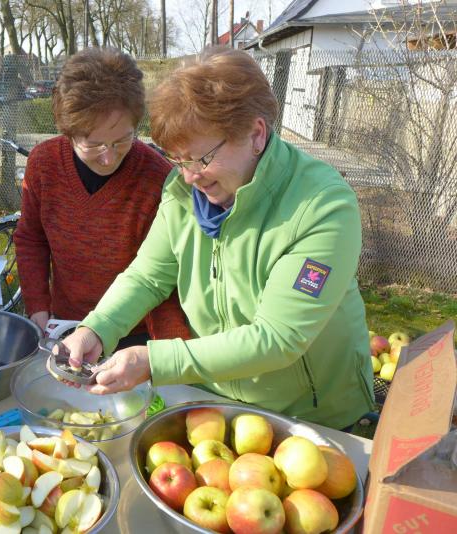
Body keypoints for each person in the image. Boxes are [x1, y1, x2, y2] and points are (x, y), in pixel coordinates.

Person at [61, 47, 374, 430]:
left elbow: (278, 337)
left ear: (255, 134)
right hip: (215, 402)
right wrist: (97, 328)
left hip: (310, 416)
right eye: (178, 160)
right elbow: (148, 276)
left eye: (202, 158)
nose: (189, 176)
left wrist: (155, 361)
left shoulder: (322, 205)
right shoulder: (182, 192)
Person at [13, 47, 191, 348]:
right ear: (69, 131)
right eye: (94, 145)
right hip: (65, 325)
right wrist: (38, 307)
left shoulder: (157, 178)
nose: (108, 158)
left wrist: (167, 355)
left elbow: (163, 277)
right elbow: (31, 238)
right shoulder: (44, 163)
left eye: (122, 140)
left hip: (133, 334)